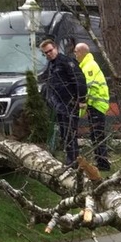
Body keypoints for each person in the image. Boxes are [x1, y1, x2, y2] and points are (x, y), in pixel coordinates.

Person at [39, 37, 87, 166]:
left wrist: (81, 99)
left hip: (70, 103)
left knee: (70, 134)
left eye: (50, 51)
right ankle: (70, 160)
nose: (49, 54)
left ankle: (74, 162)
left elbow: (79, 80)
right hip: (59, 105)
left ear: (56, 48)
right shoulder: (51, 65)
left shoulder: (66, 62)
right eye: (46, 53)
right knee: (65, 134)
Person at [73, 42, 111, 171]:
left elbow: (86, 89)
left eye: (76, 52)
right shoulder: (87, 65)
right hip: (95, 105)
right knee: (96, 135)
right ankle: (101, 163)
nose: (75, 54)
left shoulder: (89, 67)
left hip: (96, 106)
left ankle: (103, 164)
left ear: (82, 52)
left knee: (97, 135)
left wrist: (80, 110)